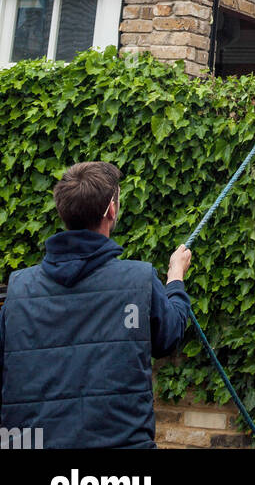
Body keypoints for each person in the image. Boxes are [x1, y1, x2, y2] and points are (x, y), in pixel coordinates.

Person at [0, 161, 191, 450]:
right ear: (111, 210)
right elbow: (169, 335)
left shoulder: (17, 289)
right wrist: (175, 278)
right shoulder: (138, 279)